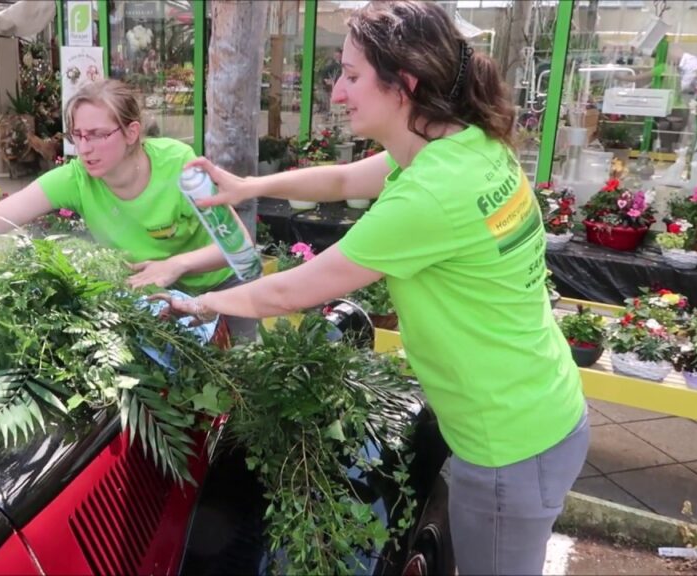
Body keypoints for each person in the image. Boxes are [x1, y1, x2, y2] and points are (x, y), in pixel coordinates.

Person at [154, 2, 587, 574]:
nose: (336, 93)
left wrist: (197, 301)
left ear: (404, 84)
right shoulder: (463, 144)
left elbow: (288, 292)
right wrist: (245, 186)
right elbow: (341, 179)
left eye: (352, 75)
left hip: (509, 446)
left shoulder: (431, 196)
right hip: (539, 410)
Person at [0, 79, 255, 339]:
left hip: (218, 291)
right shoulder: (75, 178)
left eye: (98, 135)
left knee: (234, 400)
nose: (84, 148)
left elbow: (241, 246)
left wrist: (178, 264)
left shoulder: (179, 165)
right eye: (78, 136)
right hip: (149, 302)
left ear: (131, 132)